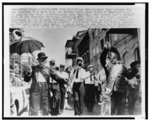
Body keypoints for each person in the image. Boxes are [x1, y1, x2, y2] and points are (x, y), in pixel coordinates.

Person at [100, 42, 132, 115]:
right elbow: (102, 59)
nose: (112, 59)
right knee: (112, 111)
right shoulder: (108, 66)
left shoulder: (122, 66)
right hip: (112, 92)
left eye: (115, 57)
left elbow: (128, 76)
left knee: (121, 111)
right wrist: (105, 50)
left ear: (118, 57)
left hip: (122, 91)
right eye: (110, 57)